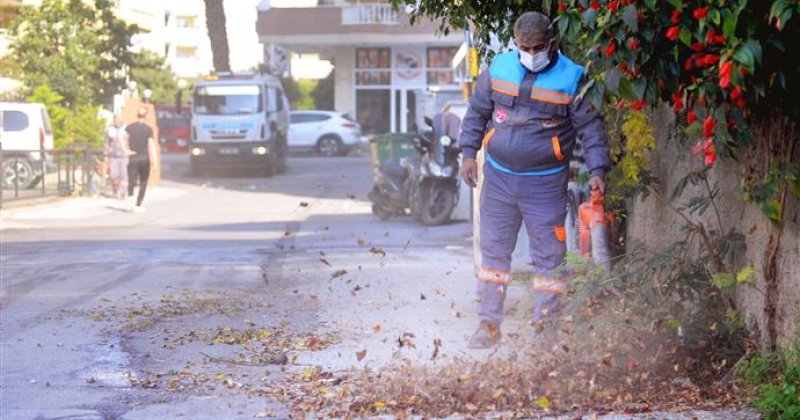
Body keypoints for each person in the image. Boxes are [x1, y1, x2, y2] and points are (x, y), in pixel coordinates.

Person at [458, 11, 610, 349]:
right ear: (515, 45)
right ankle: (487, 325)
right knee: (494, 256)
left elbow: (592, 130)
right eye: (524, 47)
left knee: (549, 260)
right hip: (498, 180)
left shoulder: (572, 78)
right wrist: (469, 154)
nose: (531, 53)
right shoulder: (498, 69)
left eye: (538, 47)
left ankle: (546, 330)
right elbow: (476, 114)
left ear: (551, 43)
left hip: (544, 185)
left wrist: (598, 171)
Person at [125, 107, 156, 213]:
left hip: (132, 157)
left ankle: (130, 197)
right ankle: (138, 204)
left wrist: (126, 150)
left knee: (131, 179)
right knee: (143, 181)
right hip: (144, 158)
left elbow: (122, 138)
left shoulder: (129, 128)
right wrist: (154, 161)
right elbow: (151, 145)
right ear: (146, 116)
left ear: (137, 115)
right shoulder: (148, 129)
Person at [103, 115, 132, 200]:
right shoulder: (109, 130)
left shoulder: (127, 129)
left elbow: (131, 141)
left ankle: (123, 192)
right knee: (114, 175)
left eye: (119, 119)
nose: (117, 121)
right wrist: (105, 155)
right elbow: (106, 143)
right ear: (114, 120)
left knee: (124, 174)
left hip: (124, 155)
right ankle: (115, 190)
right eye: (116, 120)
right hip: (113, 155)